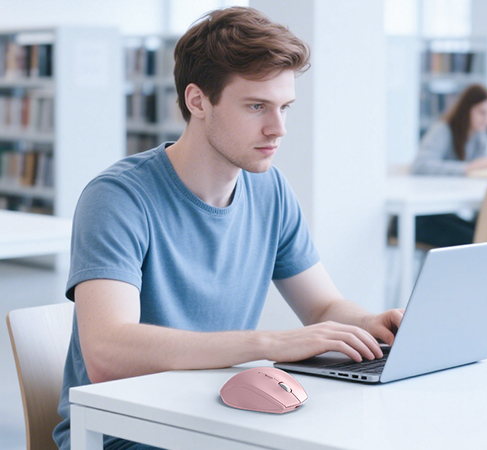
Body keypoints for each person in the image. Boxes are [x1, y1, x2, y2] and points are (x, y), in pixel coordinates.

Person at [53, 7, 403, 450]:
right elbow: (108, 353)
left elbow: (322, 307)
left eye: (284, 107)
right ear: (197, 101)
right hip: (127, 435)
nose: (278, 129)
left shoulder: (269, 188)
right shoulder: (118, 198)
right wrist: (271, 343)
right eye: (257, 106)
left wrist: (370, 324)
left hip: (222, 420)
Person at [409, 83, 487, 247]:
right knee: (474, 240)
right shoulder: (443, 130)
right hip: (423, 216)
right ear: (466, 110)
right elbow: (419, 166)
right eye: (481, 113)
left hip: (446, 213)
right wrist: (467, 168)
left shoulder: (481, 138)